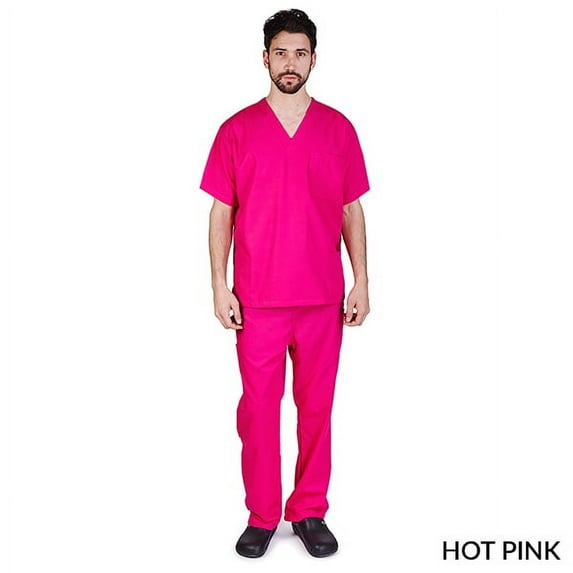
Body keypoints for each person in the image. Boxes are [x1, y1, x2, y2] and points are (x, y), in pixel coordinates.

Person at [200, 8, 370, 558]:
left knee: (316, 410)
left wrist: (361, 280)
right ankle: (262, 514)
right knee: (258, 412)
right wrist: (219, 284)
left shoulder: (338, 130)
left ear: (314, 59)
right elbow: (221, 212)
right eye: (281, 52)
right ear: (265, 58)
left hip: (322, 298)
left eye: (300, 53)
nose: (290, 62)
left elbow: (351, 209)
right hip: (258, 300)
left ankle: (309, 510)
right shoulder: (236, 130)